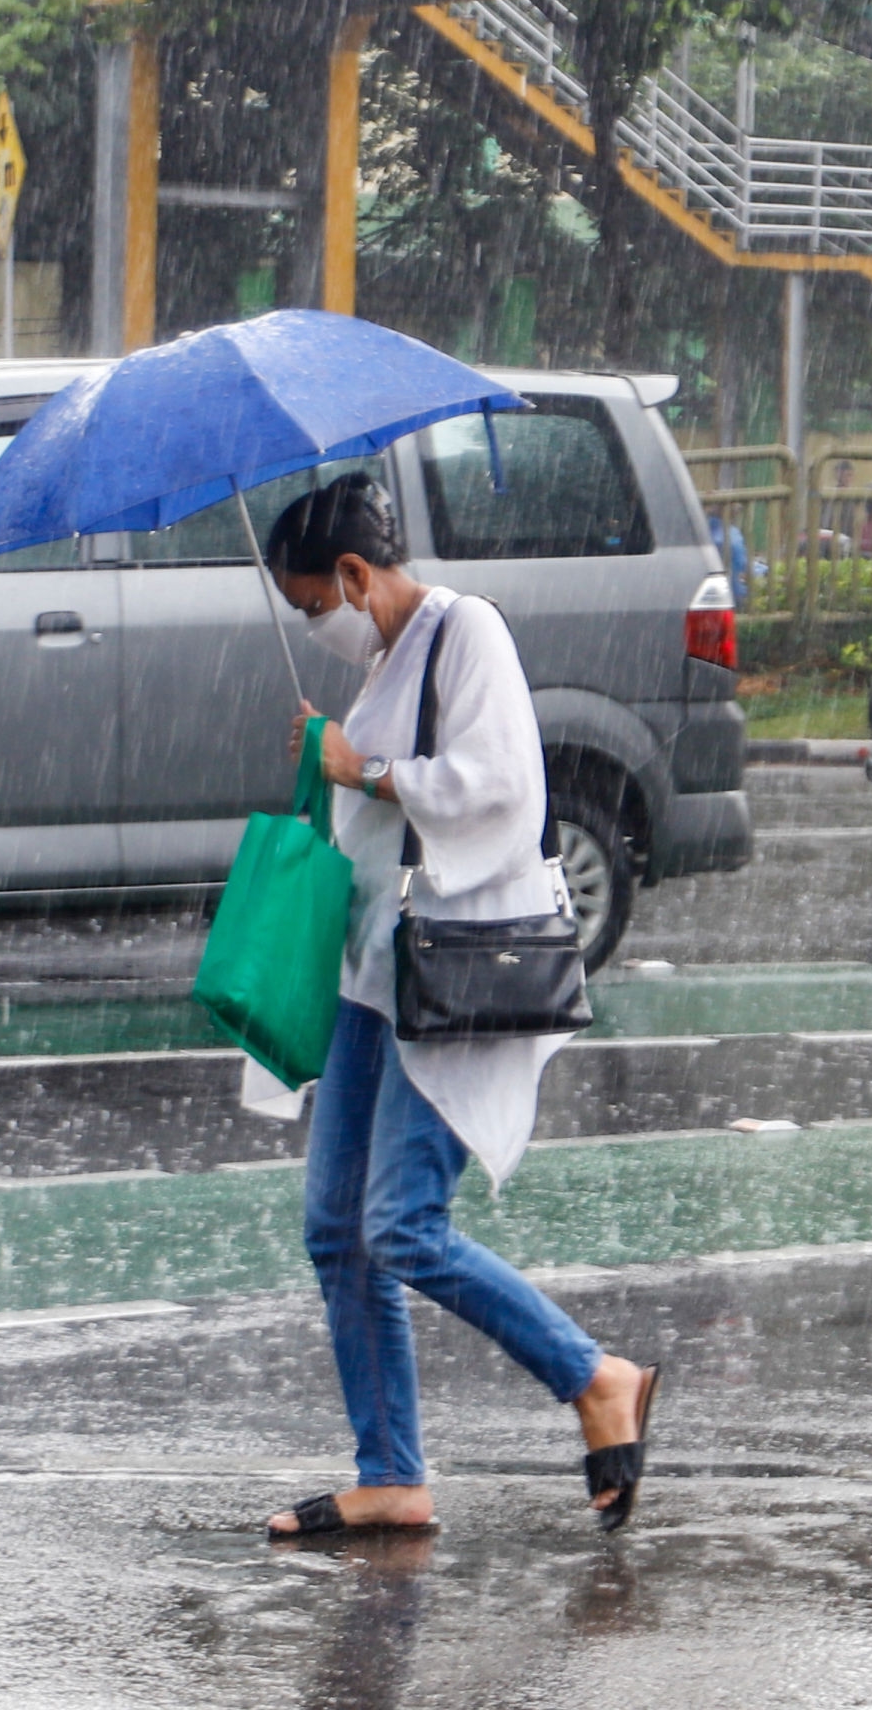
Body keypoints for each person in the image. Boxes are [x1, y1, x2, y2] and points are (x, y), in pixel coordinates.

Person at [250, 474, 659, 1540]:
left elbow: (499, 789)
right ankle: (391, 1472)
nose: (315, 625)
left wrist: (366, 765)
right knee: (337, 1230)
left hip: (452, 970)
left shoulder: (466, 630)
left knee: (401, 1223)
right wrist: (334, 760)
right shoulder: (385, 656)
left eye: (313, 605)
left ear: (352, 574)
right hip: (372, 972)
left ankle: (596, 1375)